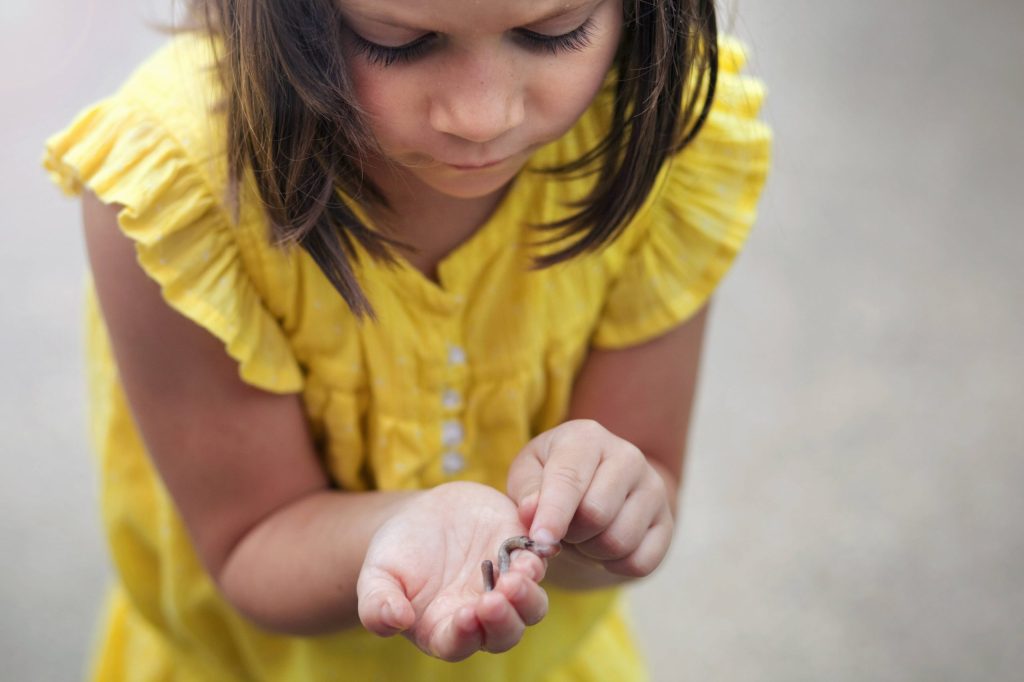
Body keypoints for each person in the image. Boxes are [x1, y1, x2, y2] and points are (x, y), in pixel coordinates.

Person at [43, 0, 770, 679]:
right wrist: (397, 527)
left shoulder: (660, 130)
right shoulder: (179, 189)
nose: (480, 116)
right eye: (396, 40)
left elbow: (647, 483)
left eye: (555, 32)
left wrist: (596, 515)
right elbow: (248, 544)